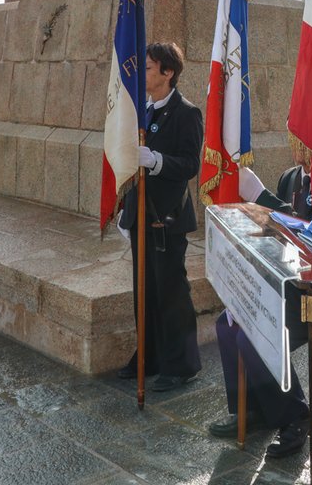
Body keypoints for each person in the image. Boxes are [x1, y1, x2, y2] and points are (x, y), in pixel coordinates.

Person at [206, 166, 312, 458]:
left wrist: (261, 197)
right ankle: (251, 408)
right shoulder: (291, 176)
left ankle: (295, 415)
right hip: (289, 284)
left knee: (253, 336)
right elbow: (277, 232)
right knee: (226, 325)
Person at [116, 41, 204, 392]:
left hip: (167, 218)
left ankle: (181, 364)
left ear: (168, 72)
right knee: (145, 290)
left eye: (150, 67)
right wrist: (126, 212)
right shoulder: (145, 110)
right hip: (141, 214)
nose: (145, 73)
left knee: (171, 293)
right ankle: (149, 356)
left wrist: (156, 160)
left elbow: (191, 164)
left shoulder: (186, 113)